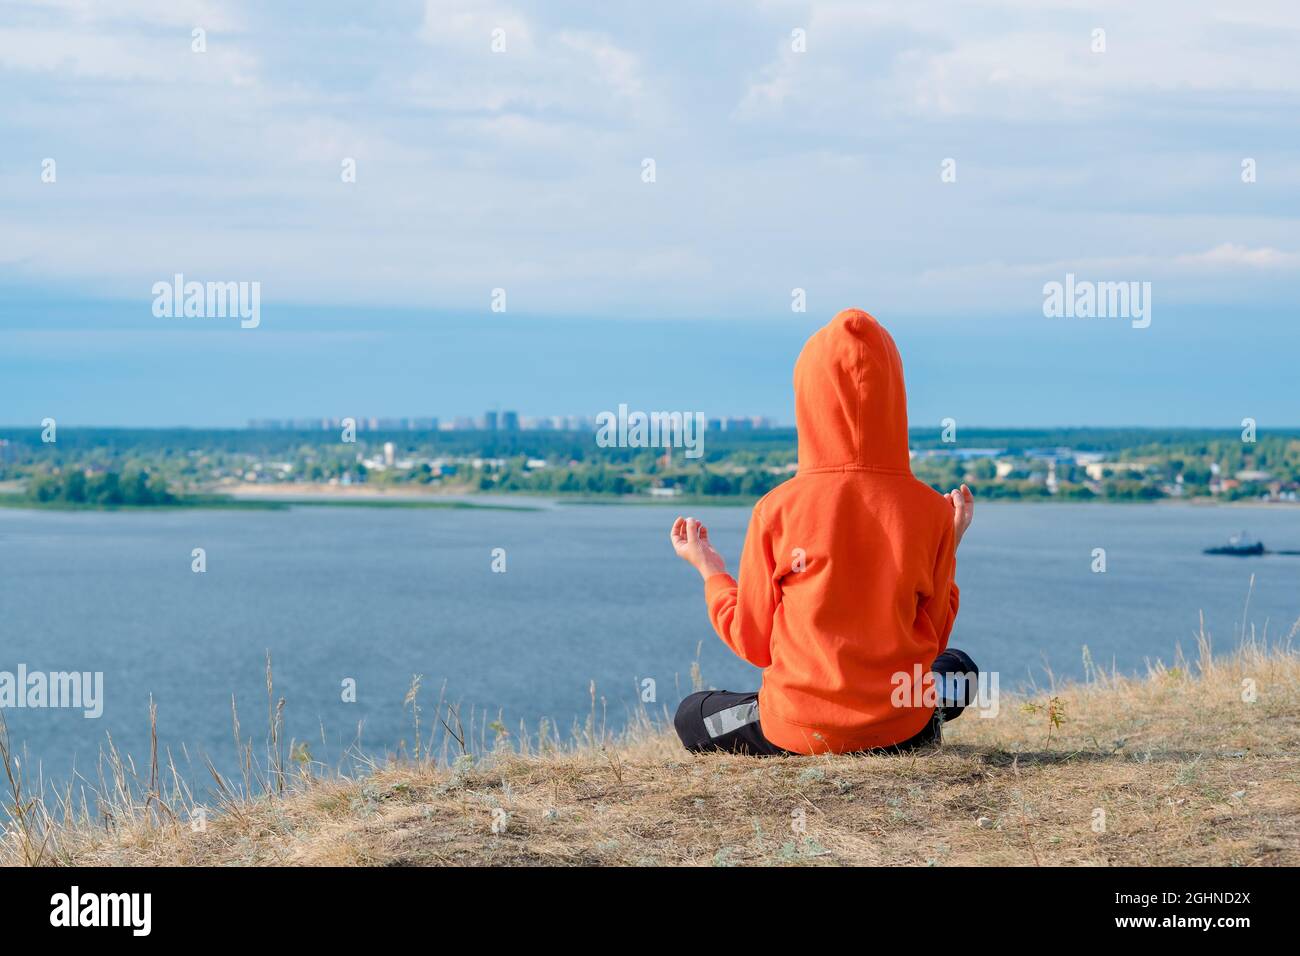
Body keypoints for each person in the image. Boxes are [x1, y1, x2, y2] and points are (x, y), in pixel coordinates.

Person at [669, 307, 978, 756]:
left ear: (808, 399)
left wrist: (709, 569)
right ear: (895, 396)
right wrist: (947, 543)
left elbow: (754, 643)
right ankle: (908, 723)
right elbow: (932, 637)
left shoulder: (776, 509)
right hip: (901, 727)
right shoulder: (929, 510)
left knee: (691, 713)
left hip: (801, 731)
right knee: (960, 669)